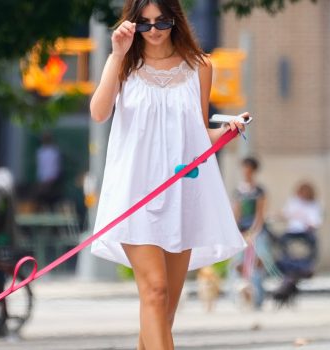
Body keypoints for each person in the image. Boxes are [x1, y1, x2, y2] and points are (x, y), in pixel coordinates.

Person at [89, 1, 247, 349]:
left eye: (161, 21)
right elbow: (99, 112)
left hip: (182, 195)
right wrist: (116, 53)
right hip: (135, 195)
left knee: (163, 310)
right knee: (156, 292)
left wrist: (230, 130)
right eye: (144, 24)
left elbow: (199, 133)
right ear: (132, 26)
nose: (154, 30)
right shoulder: (124, 65)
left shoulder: (199, 66)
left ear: (176, 19)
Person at [231, 157, 271, 310]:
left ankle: (258, 298)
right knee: (238, 263)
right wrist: (238, 232)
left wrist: (253, 232)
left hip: (256, 230)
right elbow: (237, 213)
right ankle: (237, 298)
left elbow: (260, 214)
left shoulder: (259, 191)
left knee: (258, 261)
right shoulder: (238, 191)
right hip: (241, 231)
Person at [35, 131, 62, 211]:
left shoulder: (54, 152)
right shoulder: (40, 152)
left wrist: (49, 181)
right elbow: (41, 168)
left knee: (52, 201)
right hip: (43, 181)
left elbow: (55, 168)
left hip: (52, 182)